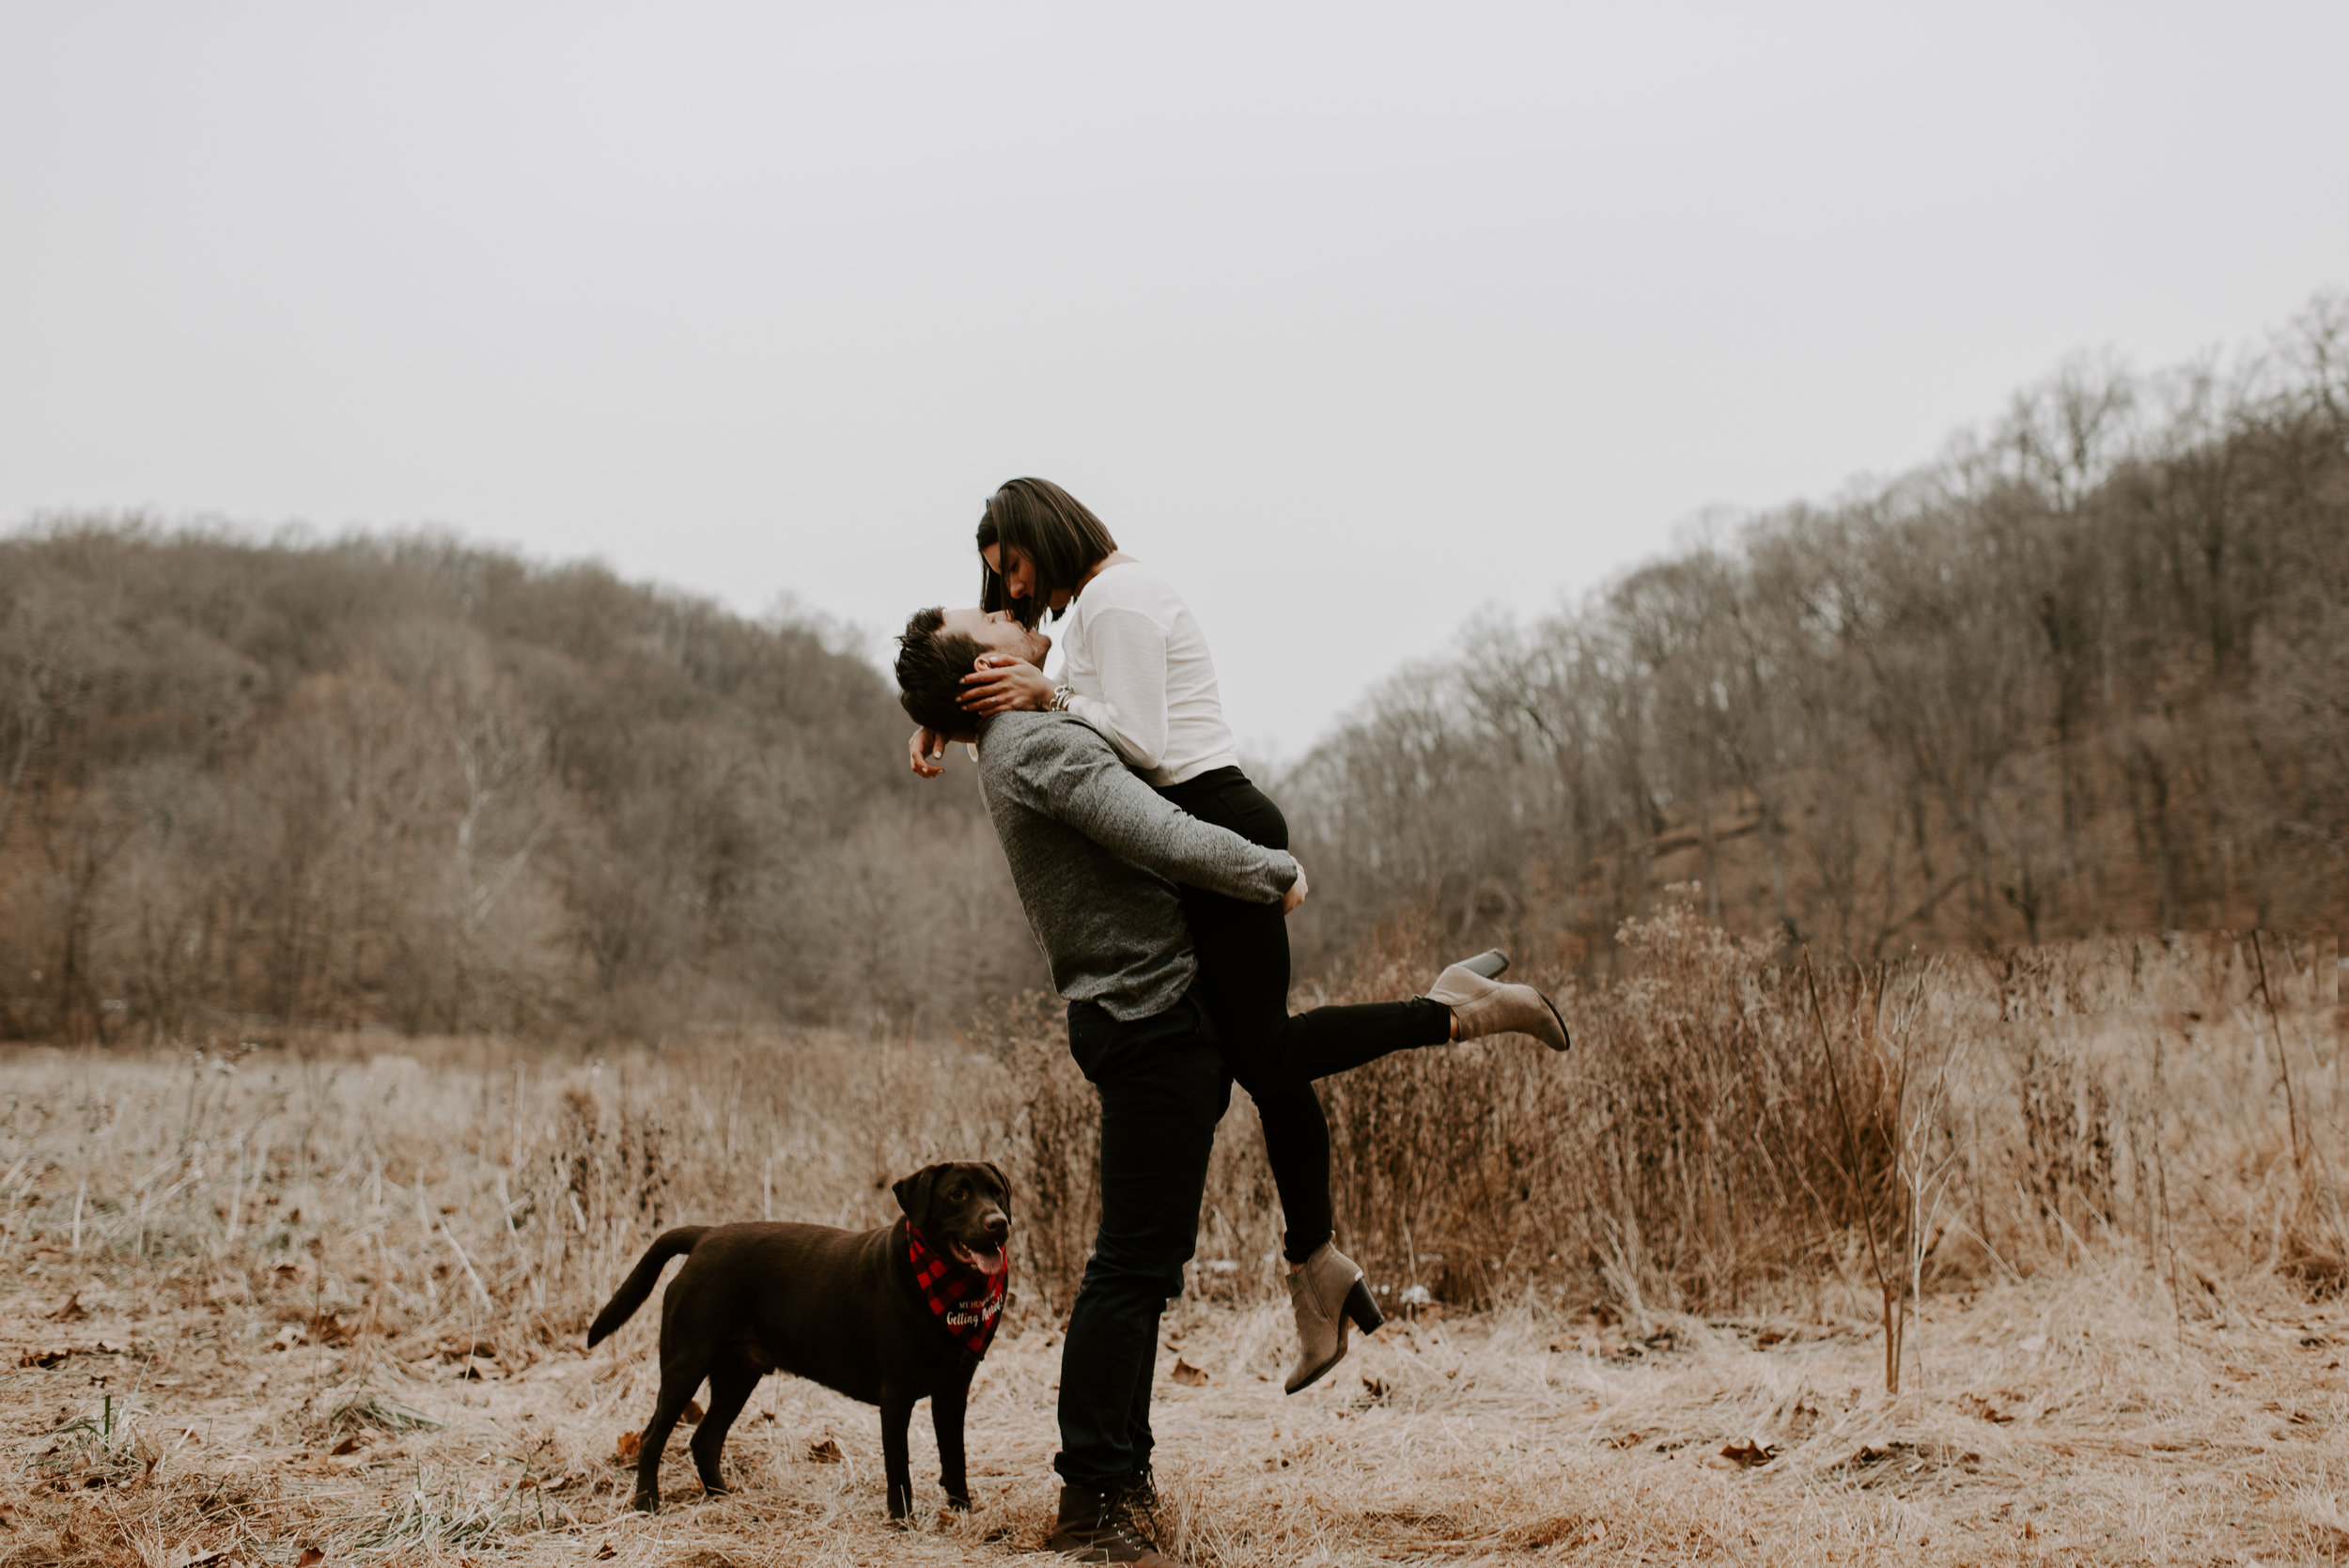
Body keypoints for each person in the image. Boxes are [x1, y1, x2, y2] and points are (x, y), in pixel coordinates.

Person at [894, 608, 1563, 1566]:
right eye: (991, 616)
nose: (1012, 610)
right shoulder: (1032, 742)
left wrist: (941, 715)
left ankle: (1124, 1476)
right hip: (1148, 1021)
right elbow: (1158, 831)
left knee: (1149, 1261)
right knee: (1130, 1266)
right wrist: (1273, 872)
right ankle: (1092, 1499)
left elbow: (1020, 704)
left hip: (1143, 1014)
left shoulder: (1009, 737)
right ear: (981, 671)